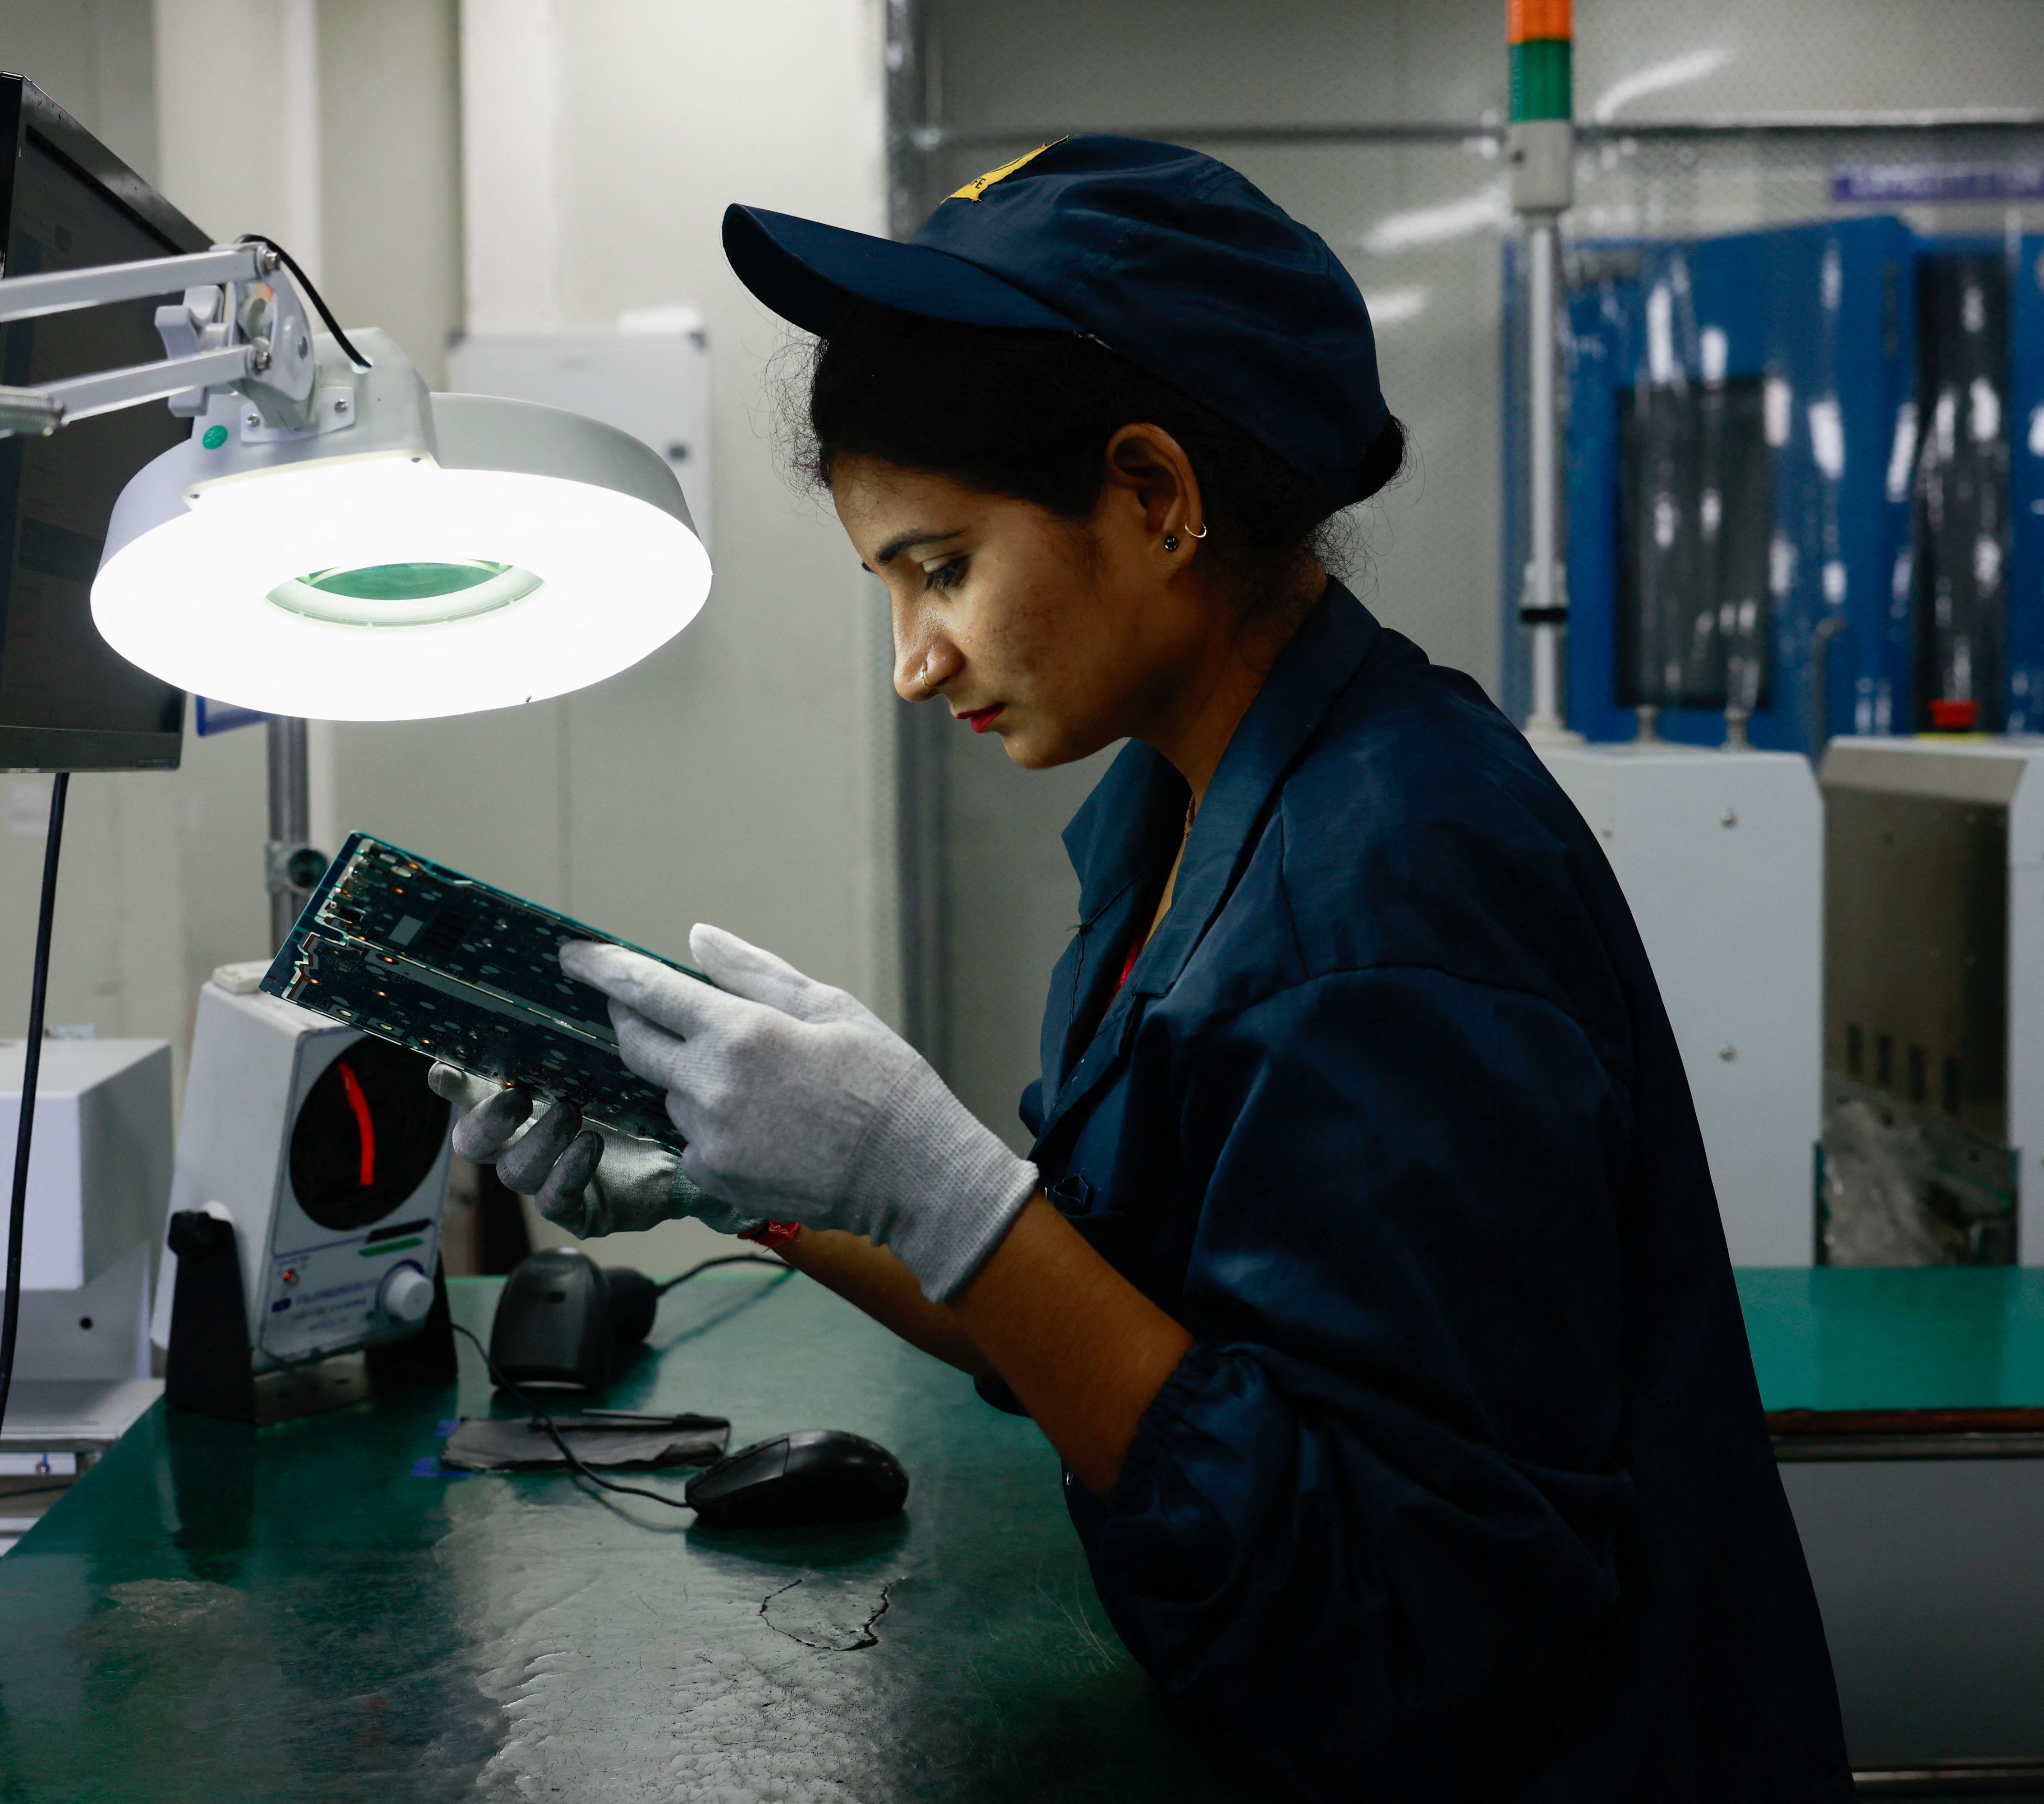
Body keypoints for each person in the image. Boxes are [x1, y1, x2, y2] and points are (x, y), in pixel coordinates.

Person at [437, 136, 1852, 1800]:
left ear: (1159, 497)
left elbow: (1392, 1615)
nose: (913, 664)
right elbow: (1101, 1314)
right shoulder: (1184, 817)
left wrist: (936, 1178)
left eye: (945, 568)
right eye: (890, 587)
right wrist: (763, 1181)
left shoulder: (1388, 892)